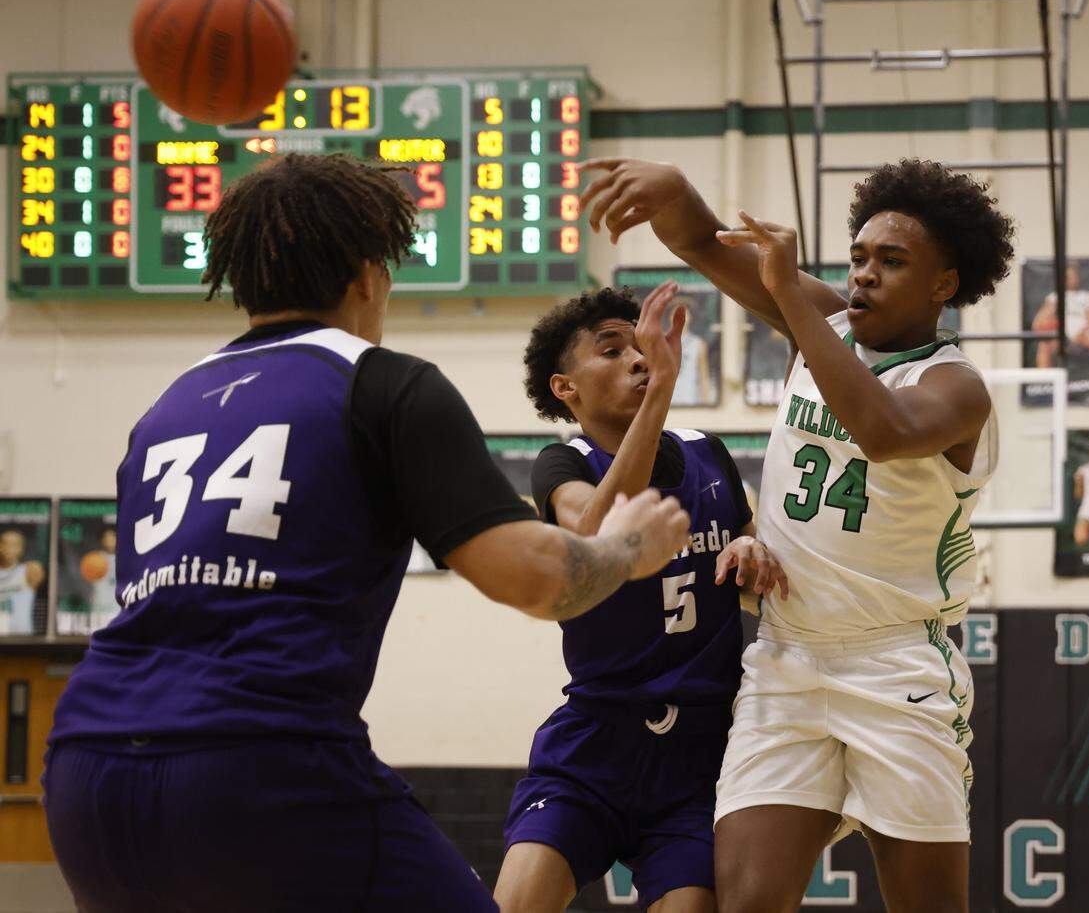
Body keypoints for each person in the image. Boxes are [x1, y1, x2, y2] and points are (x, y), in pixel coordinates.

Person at [43, 153, 692, 913]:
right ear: (366, 272)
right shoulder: (382, 383)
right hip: (261, 763)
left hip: (87, 774)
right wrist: (628, 547)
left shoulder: (165, 409)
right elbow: (538, 579)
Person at [581, 156, 1012, 913]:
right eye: (858, 257)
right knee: (744, 902)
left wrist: (790, 297)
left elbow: (880, 429)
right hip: (786, 656)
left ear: (944, 284)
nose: (865, 274)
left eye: (892, 261)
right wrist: (677, 191)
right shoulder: (821, 321)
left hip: (896, 666)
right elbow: (705, 244)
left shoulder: (955, 385)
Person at [495, 282, 786, 913]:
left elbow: (751, 540)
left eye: (641, 345)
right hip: (596, 742)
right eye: (611, 349)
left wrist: (751, 549)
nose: (637, 357)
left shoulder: (710, 454)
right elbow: (600, 531)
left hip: (698, 756)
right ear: (564, 388)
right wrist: (661, 391)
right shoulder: (561, 465)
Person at [1032, 261, 1089, 375]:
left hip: (1082, 333)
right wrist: (1049, 319)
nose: (1072, 279)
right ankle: (1044, 384)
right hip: (1060, 333)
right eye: (1069, 276)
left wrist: (1082, 332)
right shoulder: (1054, 297)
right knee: (1043, 345)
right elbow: (1038, 321)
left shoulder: (1087, 296)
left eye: (1074, 276)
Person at [0, 529, 45, 636]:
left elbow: (38, 572)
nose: (9, 549)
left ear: (21, 549)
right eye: (5, 544)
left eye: (14, 545)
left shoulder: (29, 570)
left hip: (22, 638)